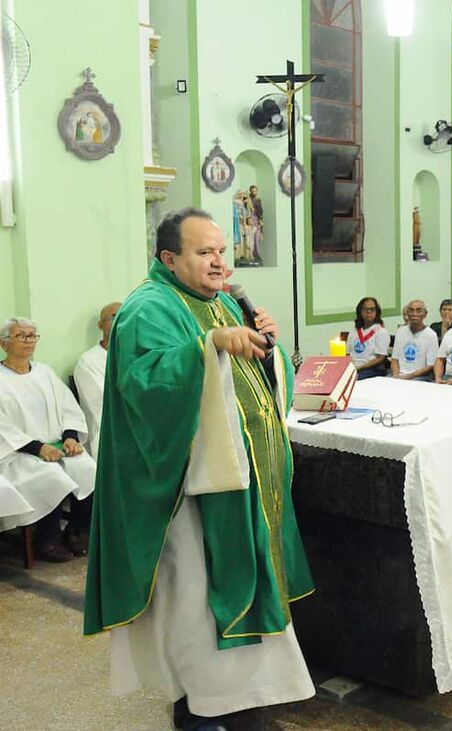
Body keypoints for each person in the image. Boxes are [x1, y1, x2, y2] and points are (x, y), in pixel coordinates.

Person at [83, 208, 314, 728]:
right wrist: (204, 348)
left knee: (225, 610)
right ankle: (207, 711)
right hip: (192, 498)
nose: (218, 262)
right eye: (204, 252)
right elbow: (142, 385)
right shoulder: (148, 307)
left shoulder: (228, 303)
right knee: (197, 613)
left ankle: (232, 705)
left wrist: (269, 353)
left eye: (221, 252)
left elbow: (257, 388)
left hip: (244, 491)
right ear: (169, 257)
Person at [0, 317, 96, 562]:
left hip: (57, 446)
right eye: (21, 335)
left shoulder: (45, 372)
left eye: (33, 336)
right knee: (51, 478)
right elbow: (3, 428)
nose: (29, 341)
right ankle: (46, 541)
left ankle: (77, 530)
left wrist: (71, 438)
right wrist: (37, 448)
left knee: (89, 469)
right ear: (3, 343)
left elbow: (67, 408)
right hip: (17, 453)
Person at [74, 302, 122, 458]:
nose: (121, 320)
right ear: (100, 325)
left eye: (125, 315)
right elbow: (103, 403)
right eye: (114, 316)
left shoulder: (138, 354)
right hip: (110, 434)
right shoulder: (88, 362)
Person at [390, 299, 438, 381]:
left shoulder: (431, 335)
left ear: (425, 314)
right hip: (398, 375)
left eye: (418, 311)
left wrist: (407, 377)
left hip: (419, 377)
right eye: (411, 310)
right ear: (407, 314)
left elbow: (430, 365)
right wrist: (396, 376)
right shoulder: (401, 331)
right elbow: (394, 359)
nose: (414, 314)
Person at [348, 296, 389, 379]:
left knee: (352, 380)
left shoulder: (381, 332)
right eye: (365, 309)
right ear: (360, 311)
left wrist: (359, 368)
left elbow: (380, 358)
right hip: (353, 367)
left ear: (377, 312)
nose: (369, 311)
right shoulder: (355, 330)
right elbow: (348, 353)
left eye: (372, 309)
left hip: (371, 369)